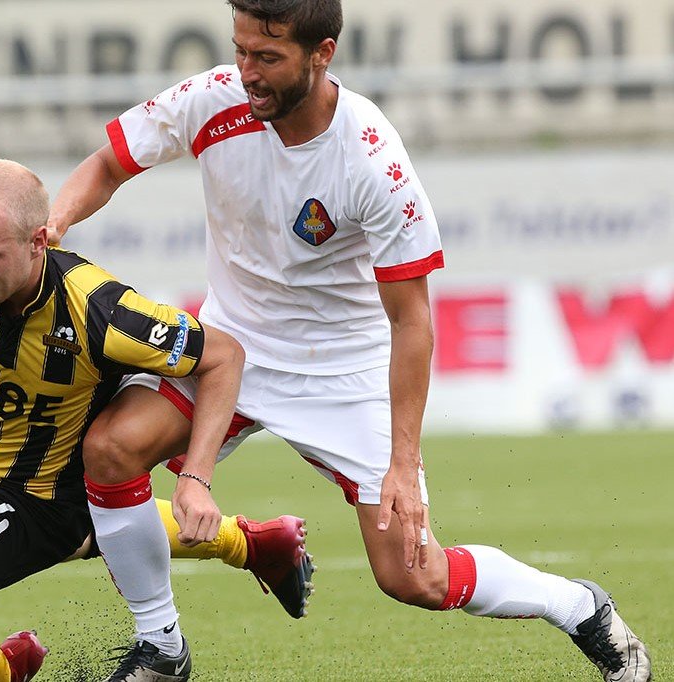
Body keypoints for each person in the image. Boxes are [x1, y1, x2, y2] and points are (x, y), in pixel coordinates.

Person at [47, 2, 654, 681]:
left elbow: (412, 321)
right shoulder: (212, 99)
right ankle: (162, 651)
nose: (247, 72)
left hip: (344, 371)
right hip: (229, 350)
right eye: (241, 50)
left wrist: (402, 462)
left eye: (268, 57)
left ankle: (578, 606)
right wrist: (55, 223)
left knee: (412, 576)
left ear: (322, 53)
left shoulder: (371, 159)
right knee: (108, 451)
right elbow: (107, 164)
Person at [0, 159, 313, 682]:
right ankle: (256, 544)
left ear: (37, 242)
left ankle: (5, 674)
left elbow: (224, 356)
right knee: (109, 525)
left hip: (37, 502)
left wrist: (196, 476)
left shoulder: (99, 309)